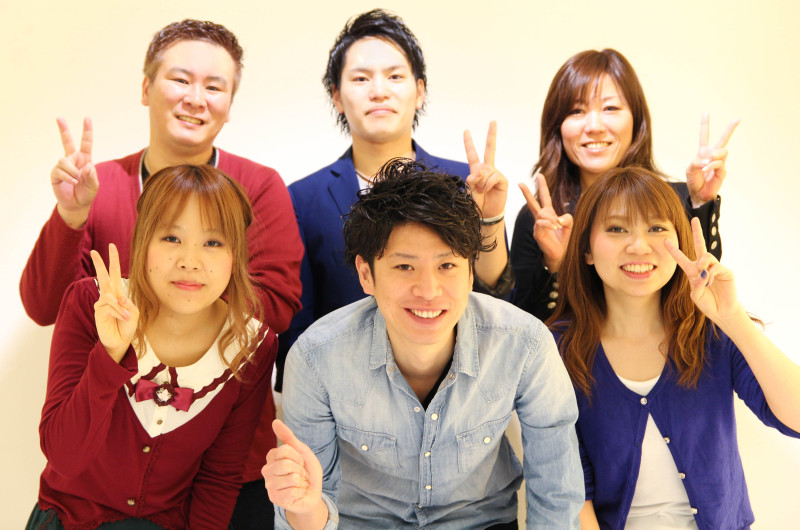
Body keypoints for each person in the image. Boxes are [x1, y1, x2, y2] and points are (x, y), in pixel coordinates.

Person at [18, 20, 304, 526]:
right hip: (102, 452)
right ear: (146, 87)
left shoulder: (257, 187)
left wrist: (170, 303)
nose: (196, 98)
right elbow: (47, 306)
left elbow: (275, 307)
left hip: (222, 465)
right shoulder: (97, 185)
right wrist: (71, 217)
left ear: (230, 104)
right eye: (180, 79)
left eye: (214, 86)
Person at [263, 159, 583, 529]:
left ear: (470, 271)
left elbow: (557, 495)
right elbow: (313, 510)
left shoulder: (524, 344)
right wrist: (303, 507)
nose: (429, 291)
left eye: (447, 266)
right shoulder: (316, 358)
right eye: (404, 267)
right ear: (366, 274)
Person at [26, 165, 277, 530]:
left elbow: (219, 479)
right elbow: (65, 458)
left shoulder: (252, 345)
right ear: (144, 240)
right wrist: (110, 355)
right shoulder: (91, 304)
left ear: (236, 253)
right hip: (68, 521)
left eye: (213, 242)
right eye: (172, 238)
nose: (190, 261)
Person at [548, 167, 800, 529]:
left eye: (656, 228)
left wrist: (733, 318)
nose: (639, 246)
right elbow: (571, 486)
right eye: (617, 229)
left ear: (680, 241)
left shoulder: (712, 332)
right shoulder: (558, 349)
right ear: (587, 249)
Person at [276, 8, 512, 391]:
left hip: (458, 390)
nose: (379, 91)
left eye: (395, 76)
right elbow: (299, 324)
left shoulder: (464, 183)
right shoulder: (303, 198)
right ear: (336, 96)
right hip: (347, 394)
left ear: (420, 91)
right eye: (360, 78)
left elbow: (496, 297)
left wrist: (490, 217)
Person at [510, 48, 738, 321]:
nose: (594, 126)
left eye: (610, 108)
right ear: (557, 126)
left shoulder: (676, 200)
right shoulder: (540, 220)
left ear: (636, 119)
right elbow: (523, 328)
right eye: (577, 111)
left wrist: (700, 203)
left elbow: (703, 300)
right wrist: (557, 265)